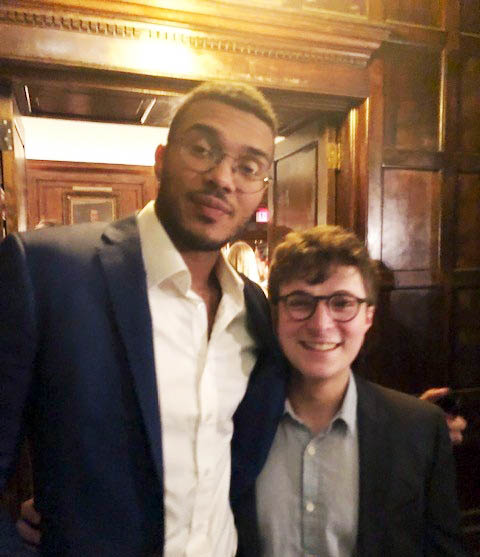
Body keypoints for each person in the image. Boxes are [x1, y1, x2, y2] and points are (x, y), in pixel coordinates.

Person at [0, 81, 288, 556]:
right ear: (161, 159)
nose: (223, 177)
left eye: (248, 167)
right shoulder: (47, 272)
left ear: (260, 188)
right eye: (203, 149)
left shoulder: (253, 307)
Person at [238, 225, 467, 556]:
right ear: (276, 315)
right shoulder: (234, 420)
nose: (320, 324)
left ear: (368, 316)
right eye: (300, 302)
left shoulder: (419, 429)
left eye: (342, 303)